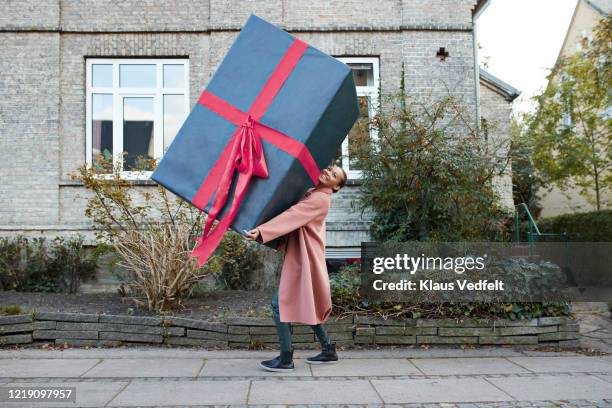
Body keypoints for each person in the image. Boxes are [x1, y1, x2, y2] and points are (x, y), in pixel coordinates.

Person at [245, 163, 347, 372]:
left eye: (334, 174)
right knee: (309, 302)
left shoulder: (320, 198)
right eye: (329, 168)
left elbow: (293, 214)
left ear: (336, 187)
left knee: (278, 304)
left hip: (306, 258)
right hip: (306, 255)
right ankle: (328, 349)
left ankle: (285, 358)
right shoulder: (313, 192)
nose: (328, 171)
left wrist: (263, 231)